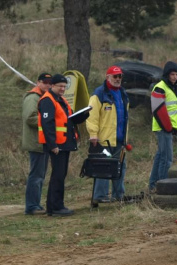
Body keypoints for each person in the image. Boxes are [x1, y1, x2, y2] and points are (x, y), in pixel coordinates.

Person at [38, 74, 90, 216]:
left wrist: (84, 114)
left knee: (60, 175)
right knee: (58, 176)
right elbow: (47, 124)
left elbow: (70, 119)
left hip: (64, 143)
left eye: (64, 86)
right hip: (57, 145)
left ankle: (53, 206)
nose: (62, 88)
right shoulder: (48, 101)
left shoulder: (61, 100)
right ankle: (56, 207)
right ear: (52, 86)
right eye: (60, 86)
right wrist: (52, 145)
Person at [86, 65, 130, 203]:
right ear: (108, 77)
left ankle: (118, 194)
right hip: (104, 139)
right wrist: (93, 134)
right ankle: (100, 196)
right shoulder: (99, 94)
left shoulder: (123, 94)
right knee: (103, 168)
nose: (118, 79)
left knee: (120, 167)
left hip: (120, 139)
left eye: (120, 76)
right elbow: (92, 116)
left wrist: (126, 138)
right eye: (115, 76)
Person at [149, 61, 177, 192]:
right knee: (167, 159)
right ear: (167, 75)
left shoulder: (172, 87)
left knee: (160, 156)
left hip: (168, 128)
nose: (174, 77)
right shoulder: (160, 87)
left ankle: (154, 185)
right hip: (164, 128)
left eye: (176, 74)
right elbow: (158, 110)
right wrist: (168, 127)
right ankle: (163, 187)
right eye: (172, 74)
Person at [22, 72, 52, 215]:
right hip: (36, 142)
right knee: (36, 176)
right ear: (38, 82)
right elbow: (30, 118)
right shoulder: (33, 97)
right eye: (45, 82)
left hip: (42, 142)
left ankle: (36, 204)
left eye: (49, 83)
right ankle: (32, 206)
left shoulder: (44, 97)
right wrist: (48, 123)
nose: (47, 85)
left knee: (40, 175)